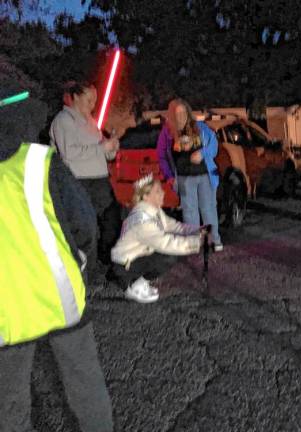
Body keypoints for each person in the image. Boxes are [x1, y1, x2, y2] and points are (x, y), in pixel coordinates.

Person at [0, 83, 113, 431]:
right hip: (59, 293)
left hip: (7, 309)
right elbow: (84, 224)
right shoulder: (41, 162)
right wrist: (80, 261)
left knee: (10, 401)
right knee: (84, 384)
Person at [49, 81, 121, 268]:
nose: (93, 105)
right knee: (86, 228)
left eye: (95, 100)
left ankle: (107, 264)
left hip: (100, 181)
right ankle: (87, 271)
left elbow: (101, 150)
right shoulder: (63, 121)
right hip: (80, 182)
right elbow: (69, 154)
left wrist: (111, 148)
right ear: (75, 97)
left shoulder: (91, 122)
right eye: (89, 100)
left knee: (110, 222)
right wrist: (101, 148)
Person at [111, 174, 205, 303]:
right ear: (145, 196)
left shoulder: (153, 211)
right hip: (124, 266)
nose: (162, 193)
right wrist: (197, 242)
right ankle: (133, 287)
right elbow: (166, 243)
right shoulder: (141, 220)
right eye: (157, 191)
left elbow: (173, 226)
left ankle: (141, 282)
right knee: (168, 256)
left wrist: (197, 230)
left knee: (169, 253)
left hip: (136, 257)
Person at [157, 98, 223, 251]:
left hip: (205, 176)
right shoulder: (167, 133)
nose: (180, 116)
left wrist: (202, 153)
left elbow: (214, 145)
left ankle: (214, 240)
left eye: (183, 112)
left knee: (208, 210)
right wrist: (170, 177)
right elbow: (161, 156)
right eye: (176, 113)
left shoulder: (200, 127)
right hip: (184, 178)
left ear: (188, 112)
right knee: (189, 212)